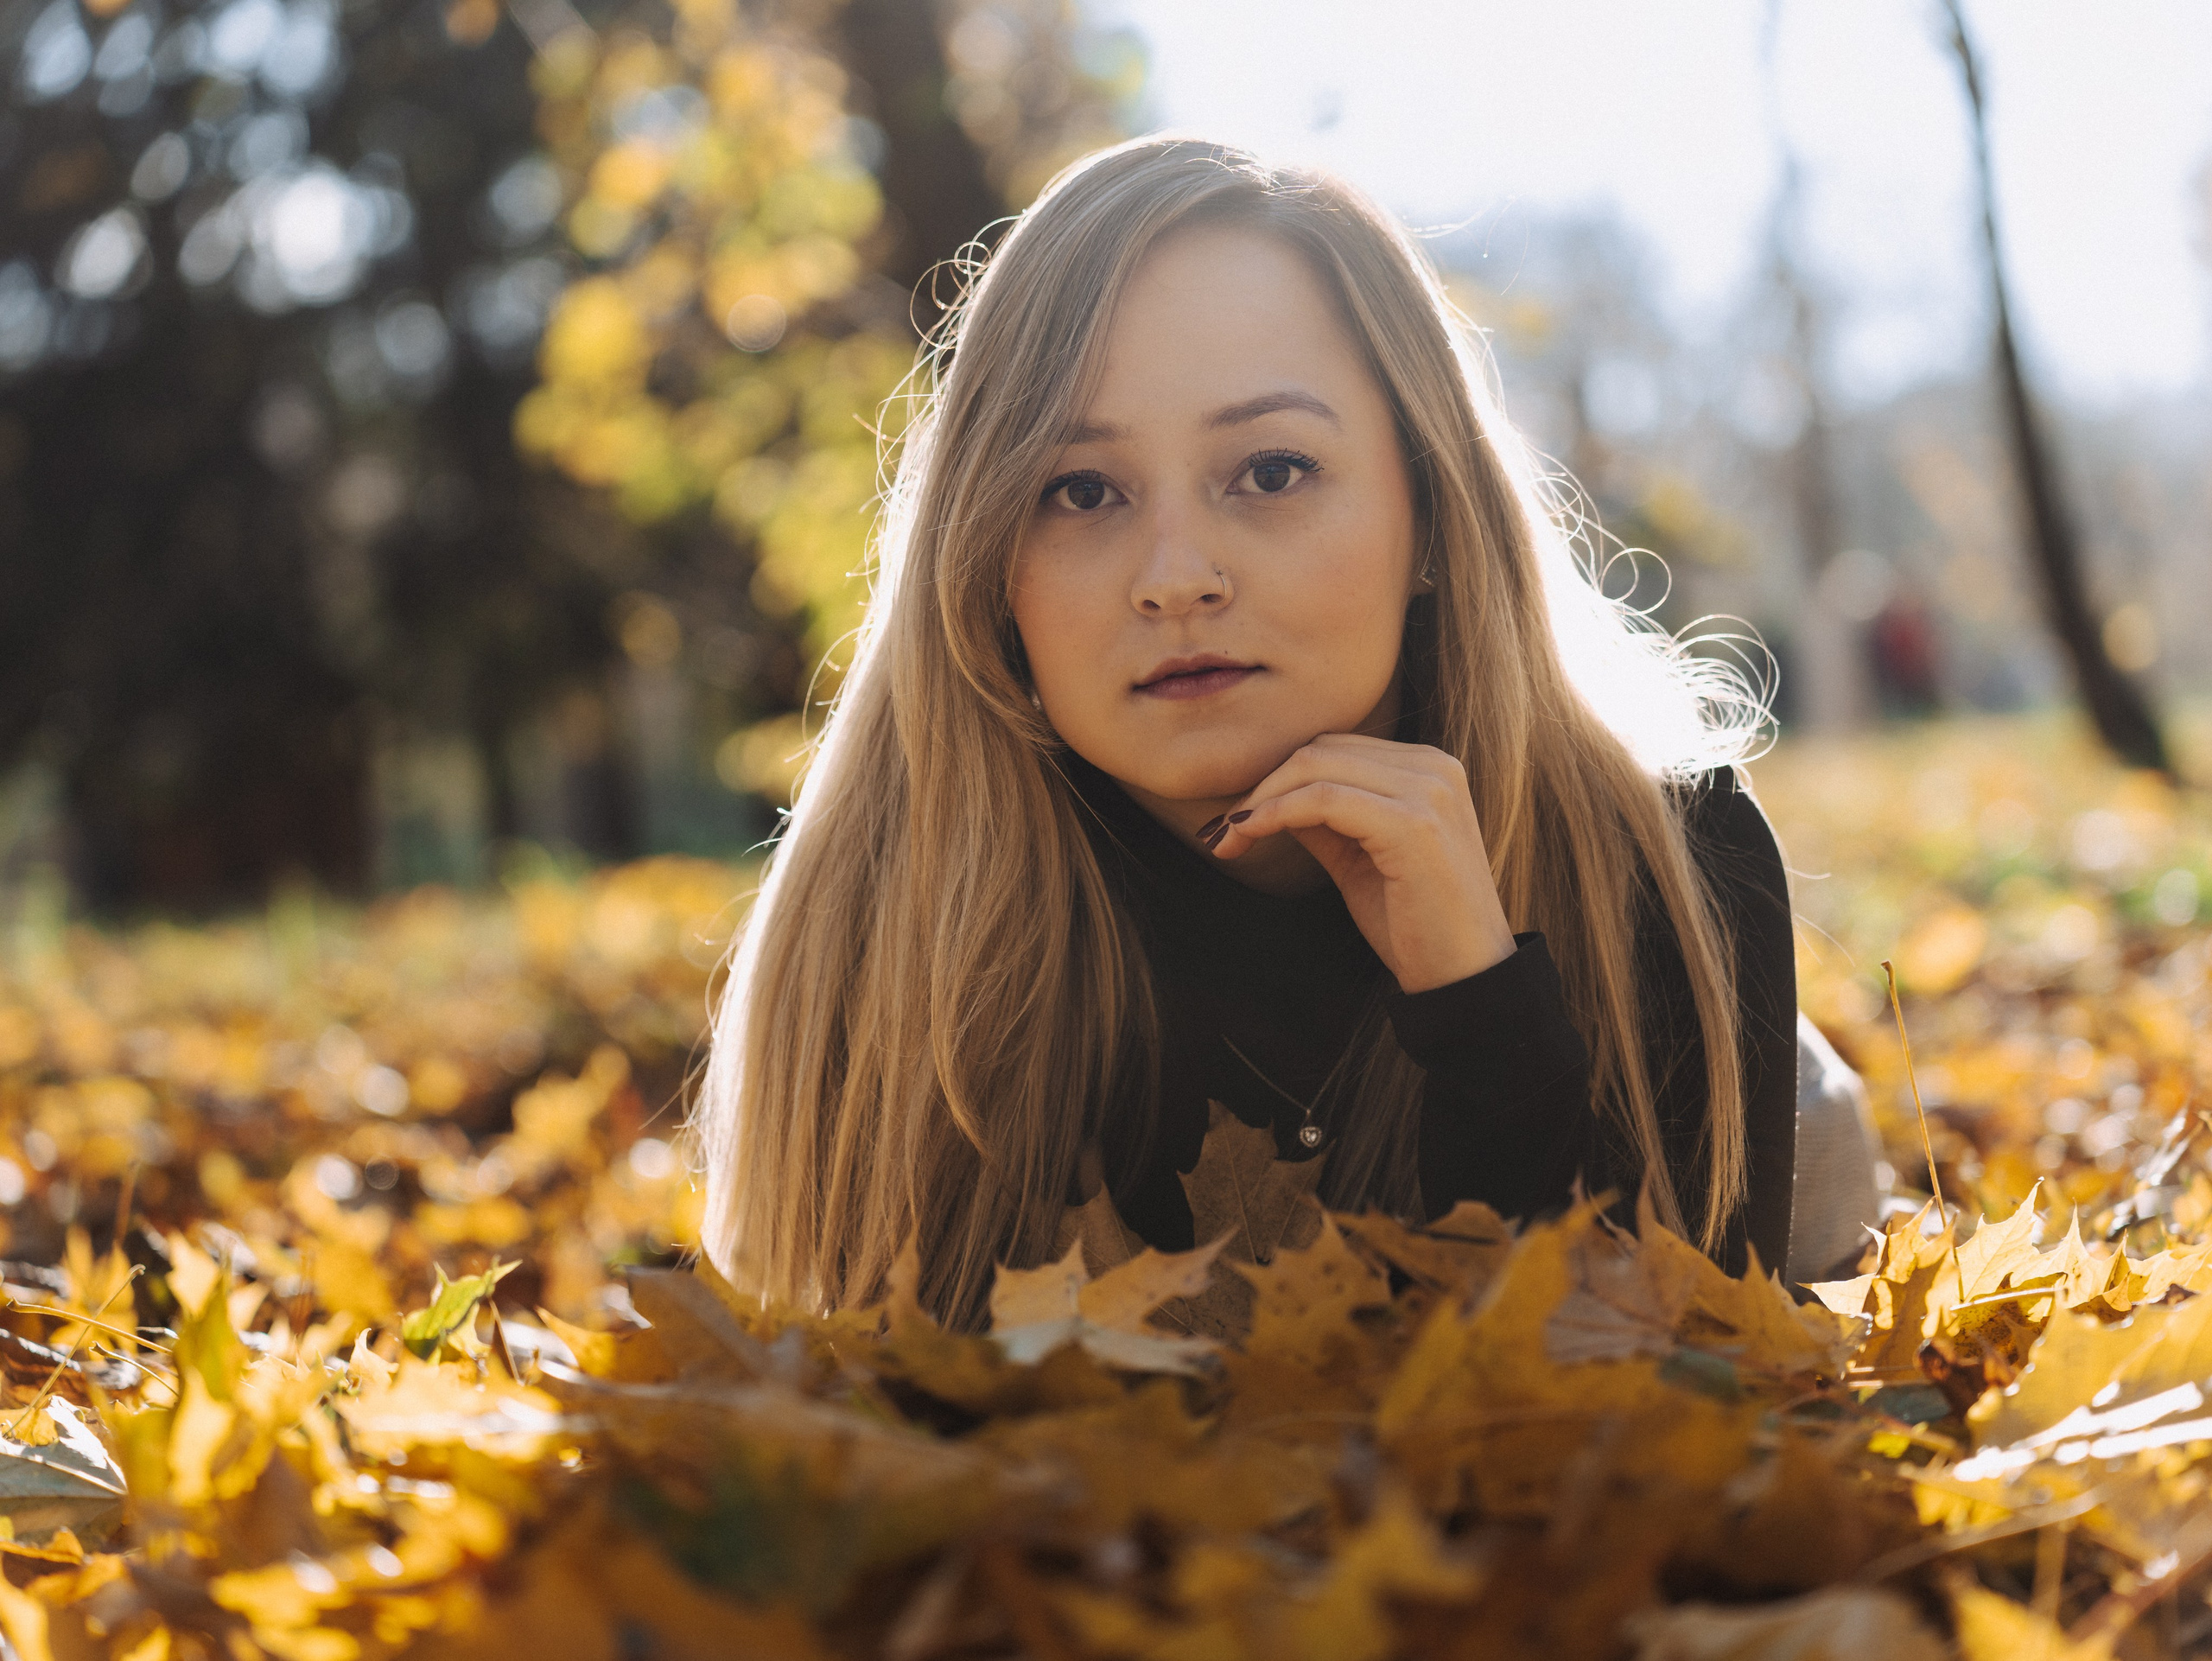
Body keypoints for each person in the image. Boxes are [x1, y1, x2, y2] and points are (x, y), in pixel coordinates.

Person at [695, 137, 1799, 1331]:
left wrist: (1487, 1020)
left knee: (1824, 1133)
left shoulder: (1674, 868)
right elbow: (864, 1447)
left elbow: (1671, 1439)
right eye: (1081, 490)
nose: (1174, 578)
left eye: (1271, 471)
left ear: (1430, 513)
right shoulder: (884, 909)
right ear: (983, 560)